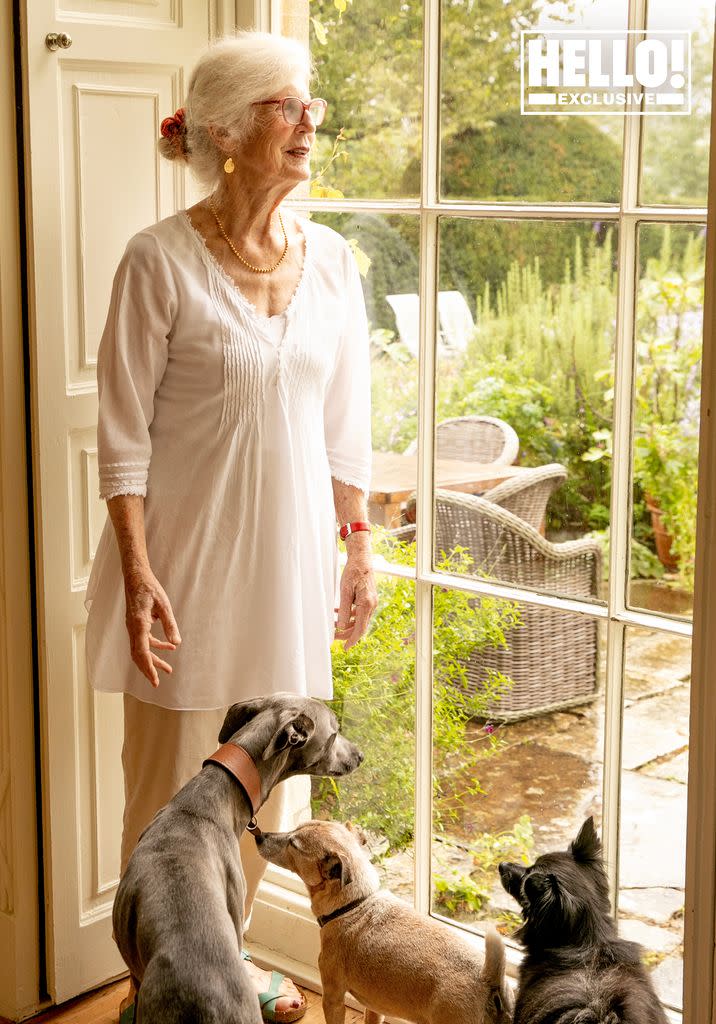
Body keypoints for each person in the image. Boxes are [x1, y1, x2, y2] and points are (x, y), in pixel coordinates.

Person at [84, 30, 378, 1024]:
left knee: (262, 802)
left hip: (288, 568)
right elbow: (119, 434)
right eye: (285, 107)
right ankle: (156, 991)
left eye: (311, 108)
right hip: (183, 568)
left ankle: (230, 976)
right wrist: (135, 572)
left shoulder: (334, 261)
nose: (308, 124)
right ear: (225, 130)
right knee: (168, 805)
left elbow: (346, 430)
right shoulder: (156, 261)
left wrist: (359, 551)